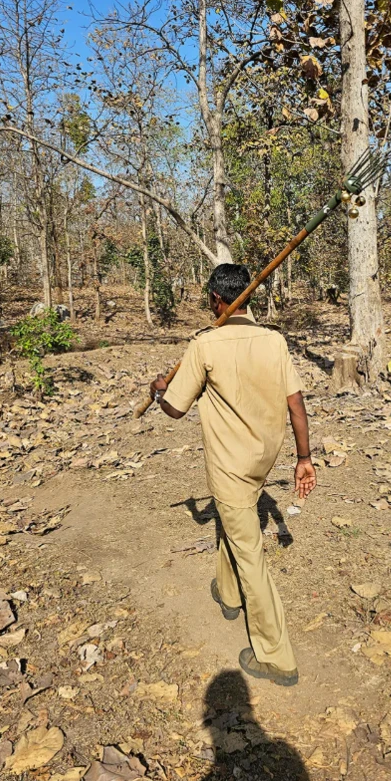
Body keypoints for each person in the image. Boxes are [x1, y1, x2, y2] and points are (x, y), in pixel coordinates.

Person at [150, 264, 316, 687]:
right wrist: (303, 457)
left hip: (231, 468)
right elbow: (295, 405)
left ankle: (277, 656)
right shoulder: (274, 341)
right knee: (234, 518)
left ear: (215, 300)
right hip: (264, 459)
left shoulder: (205, 345)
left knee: (251, 554)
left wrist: (157, 392)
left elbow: (175, 408)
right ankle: (228, 594)